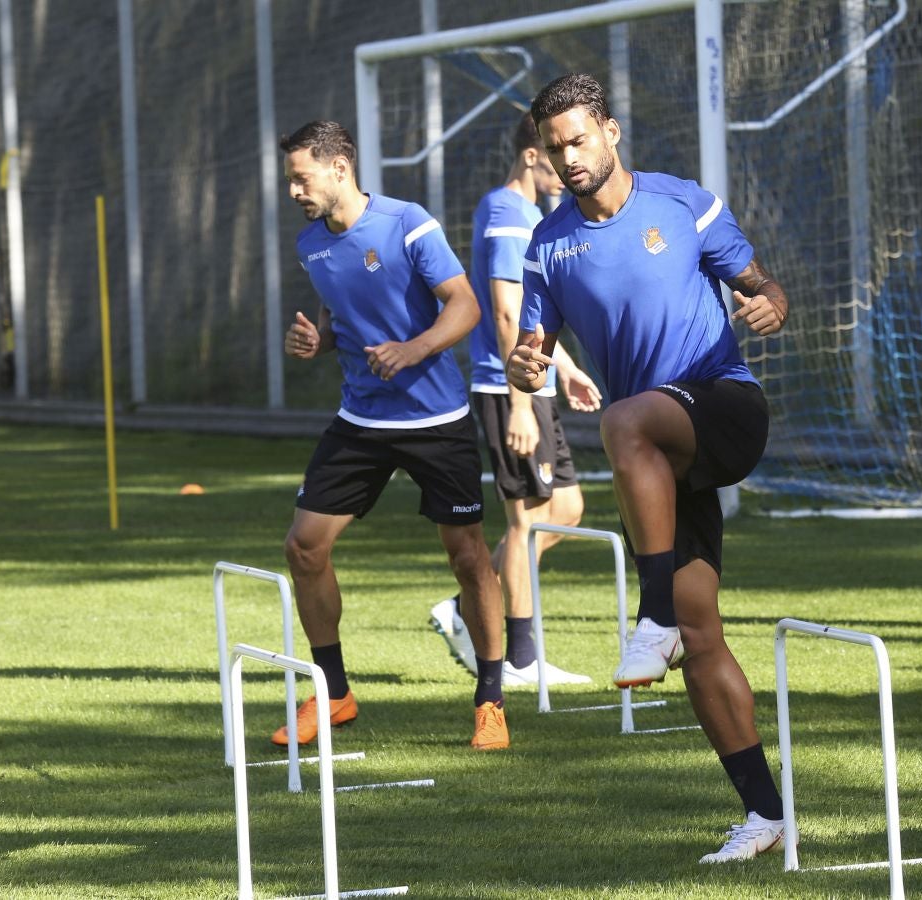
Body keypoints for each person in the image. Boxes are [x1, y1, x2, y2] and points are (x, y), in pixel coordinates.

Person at [507, 73, 790, 864]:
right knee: (704, 639)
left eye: (580, 140)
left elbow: (760, 285)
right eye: (555, 147)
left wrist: (771, 301)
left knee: (624, 417)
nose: (569, 158)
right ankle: (766, 817)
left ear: (611, 131)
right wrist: (527, 368)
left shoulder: (683, 202)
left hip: (724, 405)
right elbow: (529, 355)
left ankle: (652, 610)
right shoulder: (549, 243)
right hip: (655, 462)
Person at [278, 120, 511, 752]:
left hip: (437, 421)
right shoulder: (310, 244)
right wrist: (318, 340)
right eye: (290, 179)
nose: (294, 189)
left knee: (467, 556)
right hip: (361, 422)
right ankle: (333, 693)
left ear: (339, 168)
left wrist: (414, 349)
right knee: (304, 548)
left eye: (302, 176)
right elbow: (338, 313)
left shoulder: (408, 222)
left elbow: (464, 304)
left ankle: (490, 698)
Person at [430, 113, 603, 687]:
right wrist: (523, 401)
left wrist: (568, 369)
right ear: (531, 157)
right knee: (526, 522)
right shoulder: (506, 213)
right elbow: (506, 316)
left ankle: (463, 607)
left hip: (538, 380)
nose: (565, 166)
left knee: (569, 508)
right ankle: (521, 657)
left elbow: (536, 318)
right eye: (554, 154)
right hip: (509, 387)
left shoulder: (533, 214)